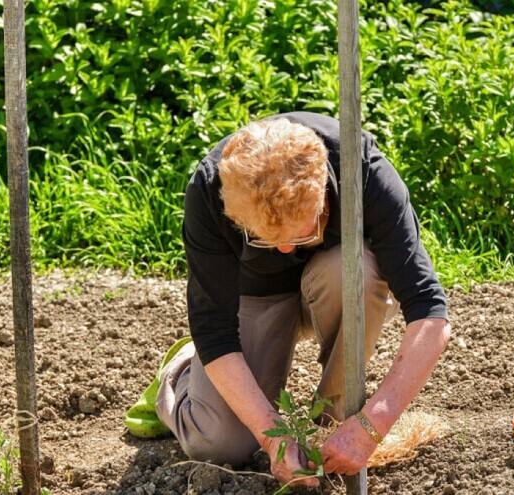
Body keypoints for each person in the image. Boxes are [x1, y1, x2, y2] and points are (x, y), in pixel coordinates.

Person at [130, 111, 451, 489]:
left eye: (299, 235)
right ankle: (183, 369)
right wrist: (271, 436)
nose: (283, 249)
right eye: (265, 239)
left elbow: (430, 313)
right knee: (220, 444)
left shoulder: (361, 170)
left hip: (332, 284)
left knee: (358, 268)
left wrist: (371, 425)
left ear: (321, 199)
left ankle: (330, 420)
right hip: (256, 295)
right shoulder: (209, 188)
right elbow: (214, 329)